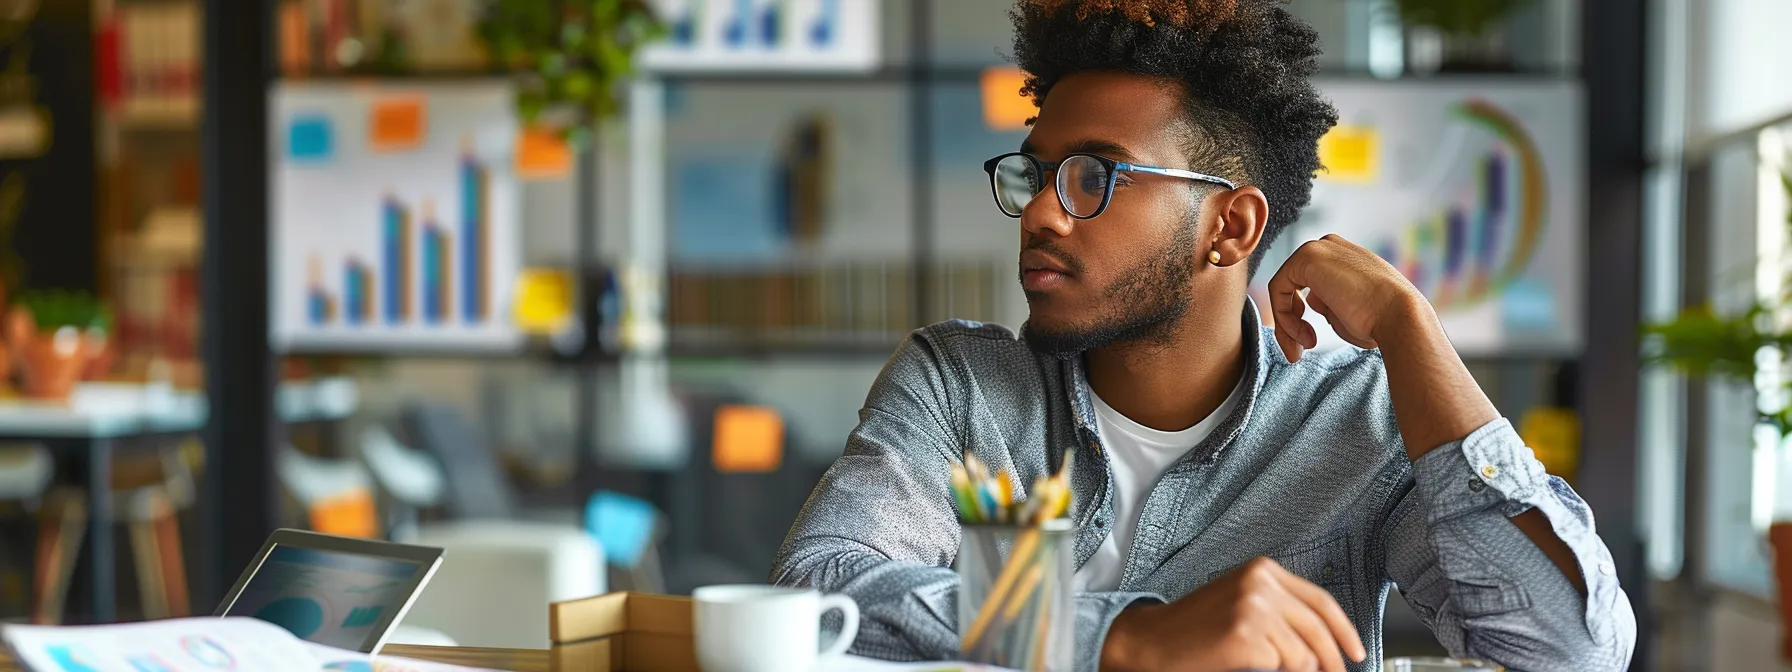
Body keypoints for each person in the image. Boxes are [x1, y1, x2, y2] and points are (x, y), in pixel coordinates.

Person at [771, 1, 1636, 670]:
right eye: (1038, 174)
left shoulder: (1356, 423)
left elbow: (1567, 650)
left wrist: (1413, 333)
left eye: (1093, 177)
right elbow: (819, 596)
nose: (1040, 211)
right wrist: (1129, 639)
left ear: (1229, 228)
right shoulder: (961, 388)